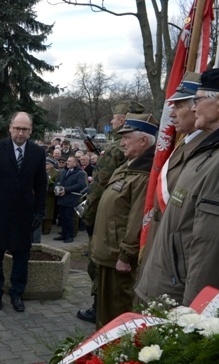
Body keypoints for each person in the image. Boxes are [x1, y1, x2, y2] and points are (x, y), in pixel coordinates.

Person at [135, 68, 219, 306]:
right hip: (170, 289)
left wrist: (193, 317)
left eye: (197, 100)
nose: (193, 107)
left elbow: (214, 245)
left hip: (181, 303)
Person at [76, 100, 145, 324]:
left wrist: (88, 218)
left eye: (114, 119)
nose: (112, 122)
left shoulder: (120, 153)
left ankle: (100, 309)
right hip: (114, 233)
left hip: (113, 236)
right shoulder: (127, 159)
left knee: (104, 278)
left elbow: (98, 187)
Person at [91, 113, 158, 328]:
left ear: (143, 141)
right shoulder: (127, 167)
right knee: (104, 314)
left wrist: (126, 255)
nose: (122, 143)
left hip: (118, 259)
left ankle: (114, 357)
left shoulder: (144, 175)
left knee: (117, 316)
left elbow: (137, 219)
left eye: (126, 138)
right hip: (107, 254)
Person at [0, 112, 47, 312]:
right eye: (17, 128)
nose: (20, 132)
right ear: (10, 128)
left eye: (24, 129)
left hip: (24, 214)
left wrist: (39, 213)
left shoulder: (37, 152)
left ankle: (17, 294)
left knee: (21, 258)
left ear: (30, 131)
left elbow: (41, 184)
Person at [140, 72, 207, 266]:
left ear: (196, 107)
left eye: (178, 106)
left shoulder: (206, 149)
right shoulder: (184, 144)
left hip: (175, 260)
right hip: (162, 250)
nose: (171, 114)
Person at [53, 156, 86, 243]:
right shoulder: (64, 171)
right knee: (62, 217)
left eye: (70, 161)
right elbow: (58, 181)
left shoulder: (80, 173)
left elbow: (81, 185)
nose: (67, 162)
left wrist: (66, 189)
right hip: (61, 198)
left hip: (71, 198)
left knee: (69, 218)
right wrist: (56, 187)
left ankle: (70, 236)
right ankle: (64, 234)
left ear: (75, 163)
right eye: (67, 161)